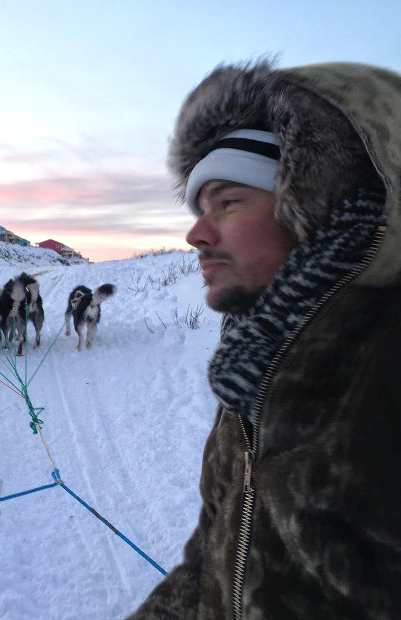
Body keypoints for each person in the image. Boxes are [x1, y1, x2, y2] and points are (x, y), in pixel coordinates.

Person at [128, 60, 401, 619]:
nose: (196, 234)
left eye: (227, 202)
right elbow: (213, 556)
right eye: (200, 208)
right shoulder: (257, 368)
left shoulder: (383, 367)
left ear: (311, 208)